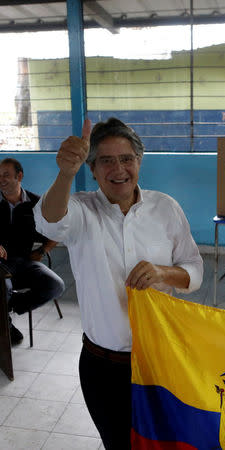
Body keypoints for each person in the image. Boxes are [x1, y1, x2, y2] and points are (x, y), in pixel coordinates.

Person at [33, 117, 203, 449]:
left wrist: (164, 272)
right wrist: (66, 172)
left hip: (161, 358)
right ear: (92, 168)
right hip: (104, 366)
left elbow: (194, 269)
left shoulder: (165, 208)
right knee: (118, 443)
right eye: (106, 161)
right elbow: (50, 222)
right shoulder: (81, 209)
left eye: (126, 159)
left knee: (166, 440)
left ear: (139, 162)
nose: (118, 169)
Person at [0, 158, 65, 345]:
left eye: (6, 175)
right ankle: (7, 324)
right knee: (3, 286)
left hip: (25, 261)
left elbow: (59, 230)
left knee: (56, 285)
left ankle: (7, 311)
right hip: (1, 265)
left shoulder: (38, 204)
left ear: (19, 176)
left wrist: (43, 249)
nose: (1, 179)